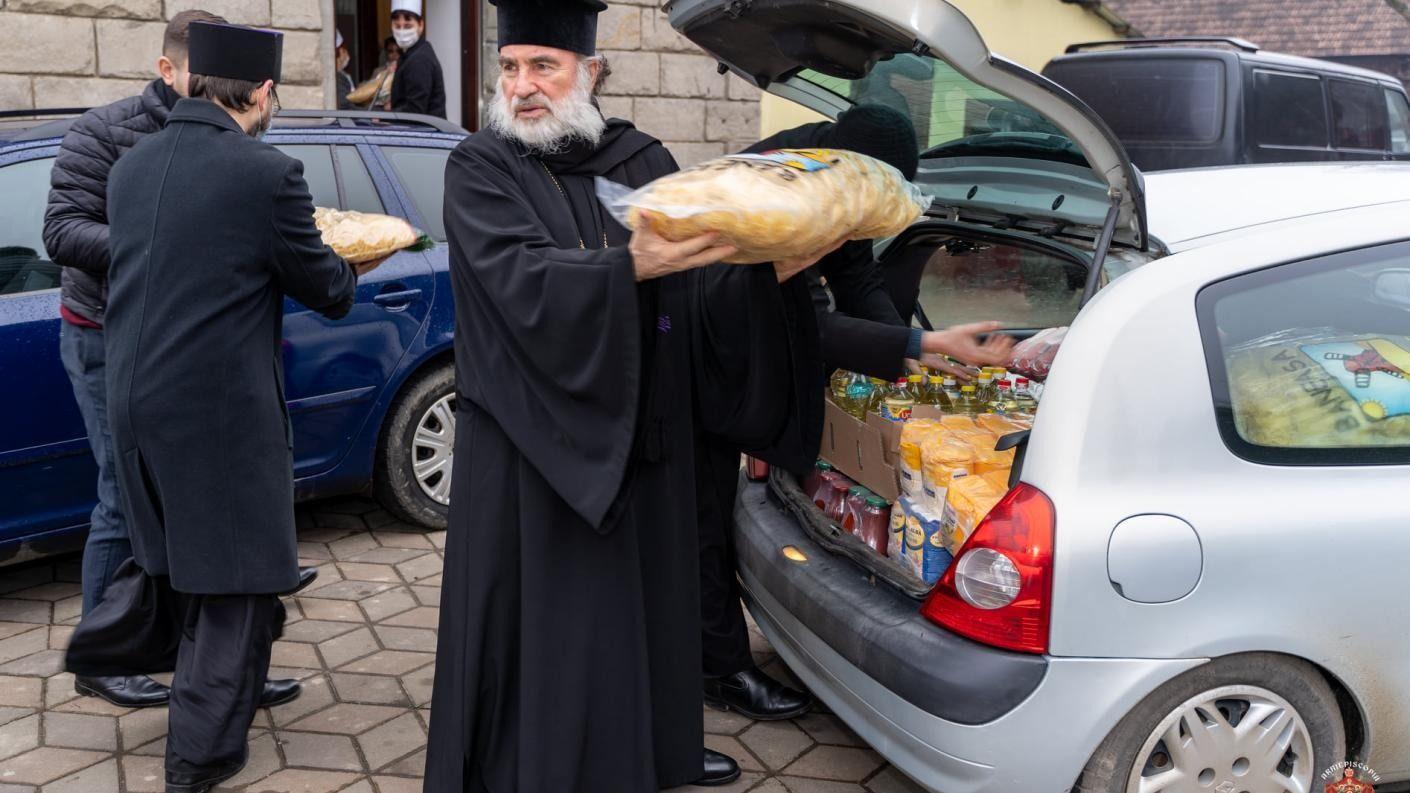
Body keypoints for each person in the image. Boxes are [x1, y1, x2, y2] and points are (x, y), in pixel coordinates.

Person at [424, 1, 828, 790]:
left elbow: (702, 297)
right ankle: (533, 765)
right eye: (510, 67)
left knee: (642, 613)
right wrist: (627, 268)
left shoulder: (642, 163)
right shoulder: (480, 167)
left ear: (591, 72)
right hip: (529, 453)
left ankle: (646, 749)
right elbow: (517, 282)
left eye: (544, 66)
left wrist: (772, 270)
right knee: (550, 628)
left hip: (642, 439)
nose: (522, 86)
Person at [61, 21, 376, 793]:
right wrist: (361, 258)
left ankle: (130, 650)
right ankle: (194, 762)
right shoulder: (267, 173)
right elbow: (327, 291)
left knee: (182, 563)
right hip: (219, 419)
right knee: (234, 582)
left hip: (137, 400)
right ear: (262, 92)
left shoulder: (134, 166)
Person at [698, 106, 1016, 721]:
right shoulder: (775, 190)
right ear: (854, 178)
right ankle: (720, 671)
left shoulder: (846, 179)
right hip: (705, 355)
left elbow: (858, 275)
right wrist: (918, 345)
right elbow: (796, 321)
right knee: (702, 516)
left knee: (711, 512)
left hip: (744, 354)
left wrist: (909, 372)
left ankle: (716, 655)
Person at [42, 7, 317, 712]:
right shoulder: (104, 132)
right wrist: (161, 244)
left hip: (205, 345)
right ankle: (106, 652)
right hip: (110, 335)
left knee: (214, 510)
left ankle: (225, 670)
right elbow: (63, 230)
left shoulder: (237, 125)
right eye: (204, 72)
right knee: (121, 494)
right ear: (167, 70)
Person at [387, 0, 445, 118]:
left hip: (426, 133)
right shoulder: (410, 54)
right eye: (397, 26)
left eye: (408, 26)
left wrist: (385, 115)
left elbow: (415, 111)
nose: (402, 32)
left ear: (421, 25)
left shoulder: (419, 59)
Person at [335, 29, 355, 110]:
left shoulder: (345, 76)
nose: (347, 54)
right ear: (340, 51)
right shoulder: (338, 78)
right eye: (344, 50)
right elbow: (346, 105)